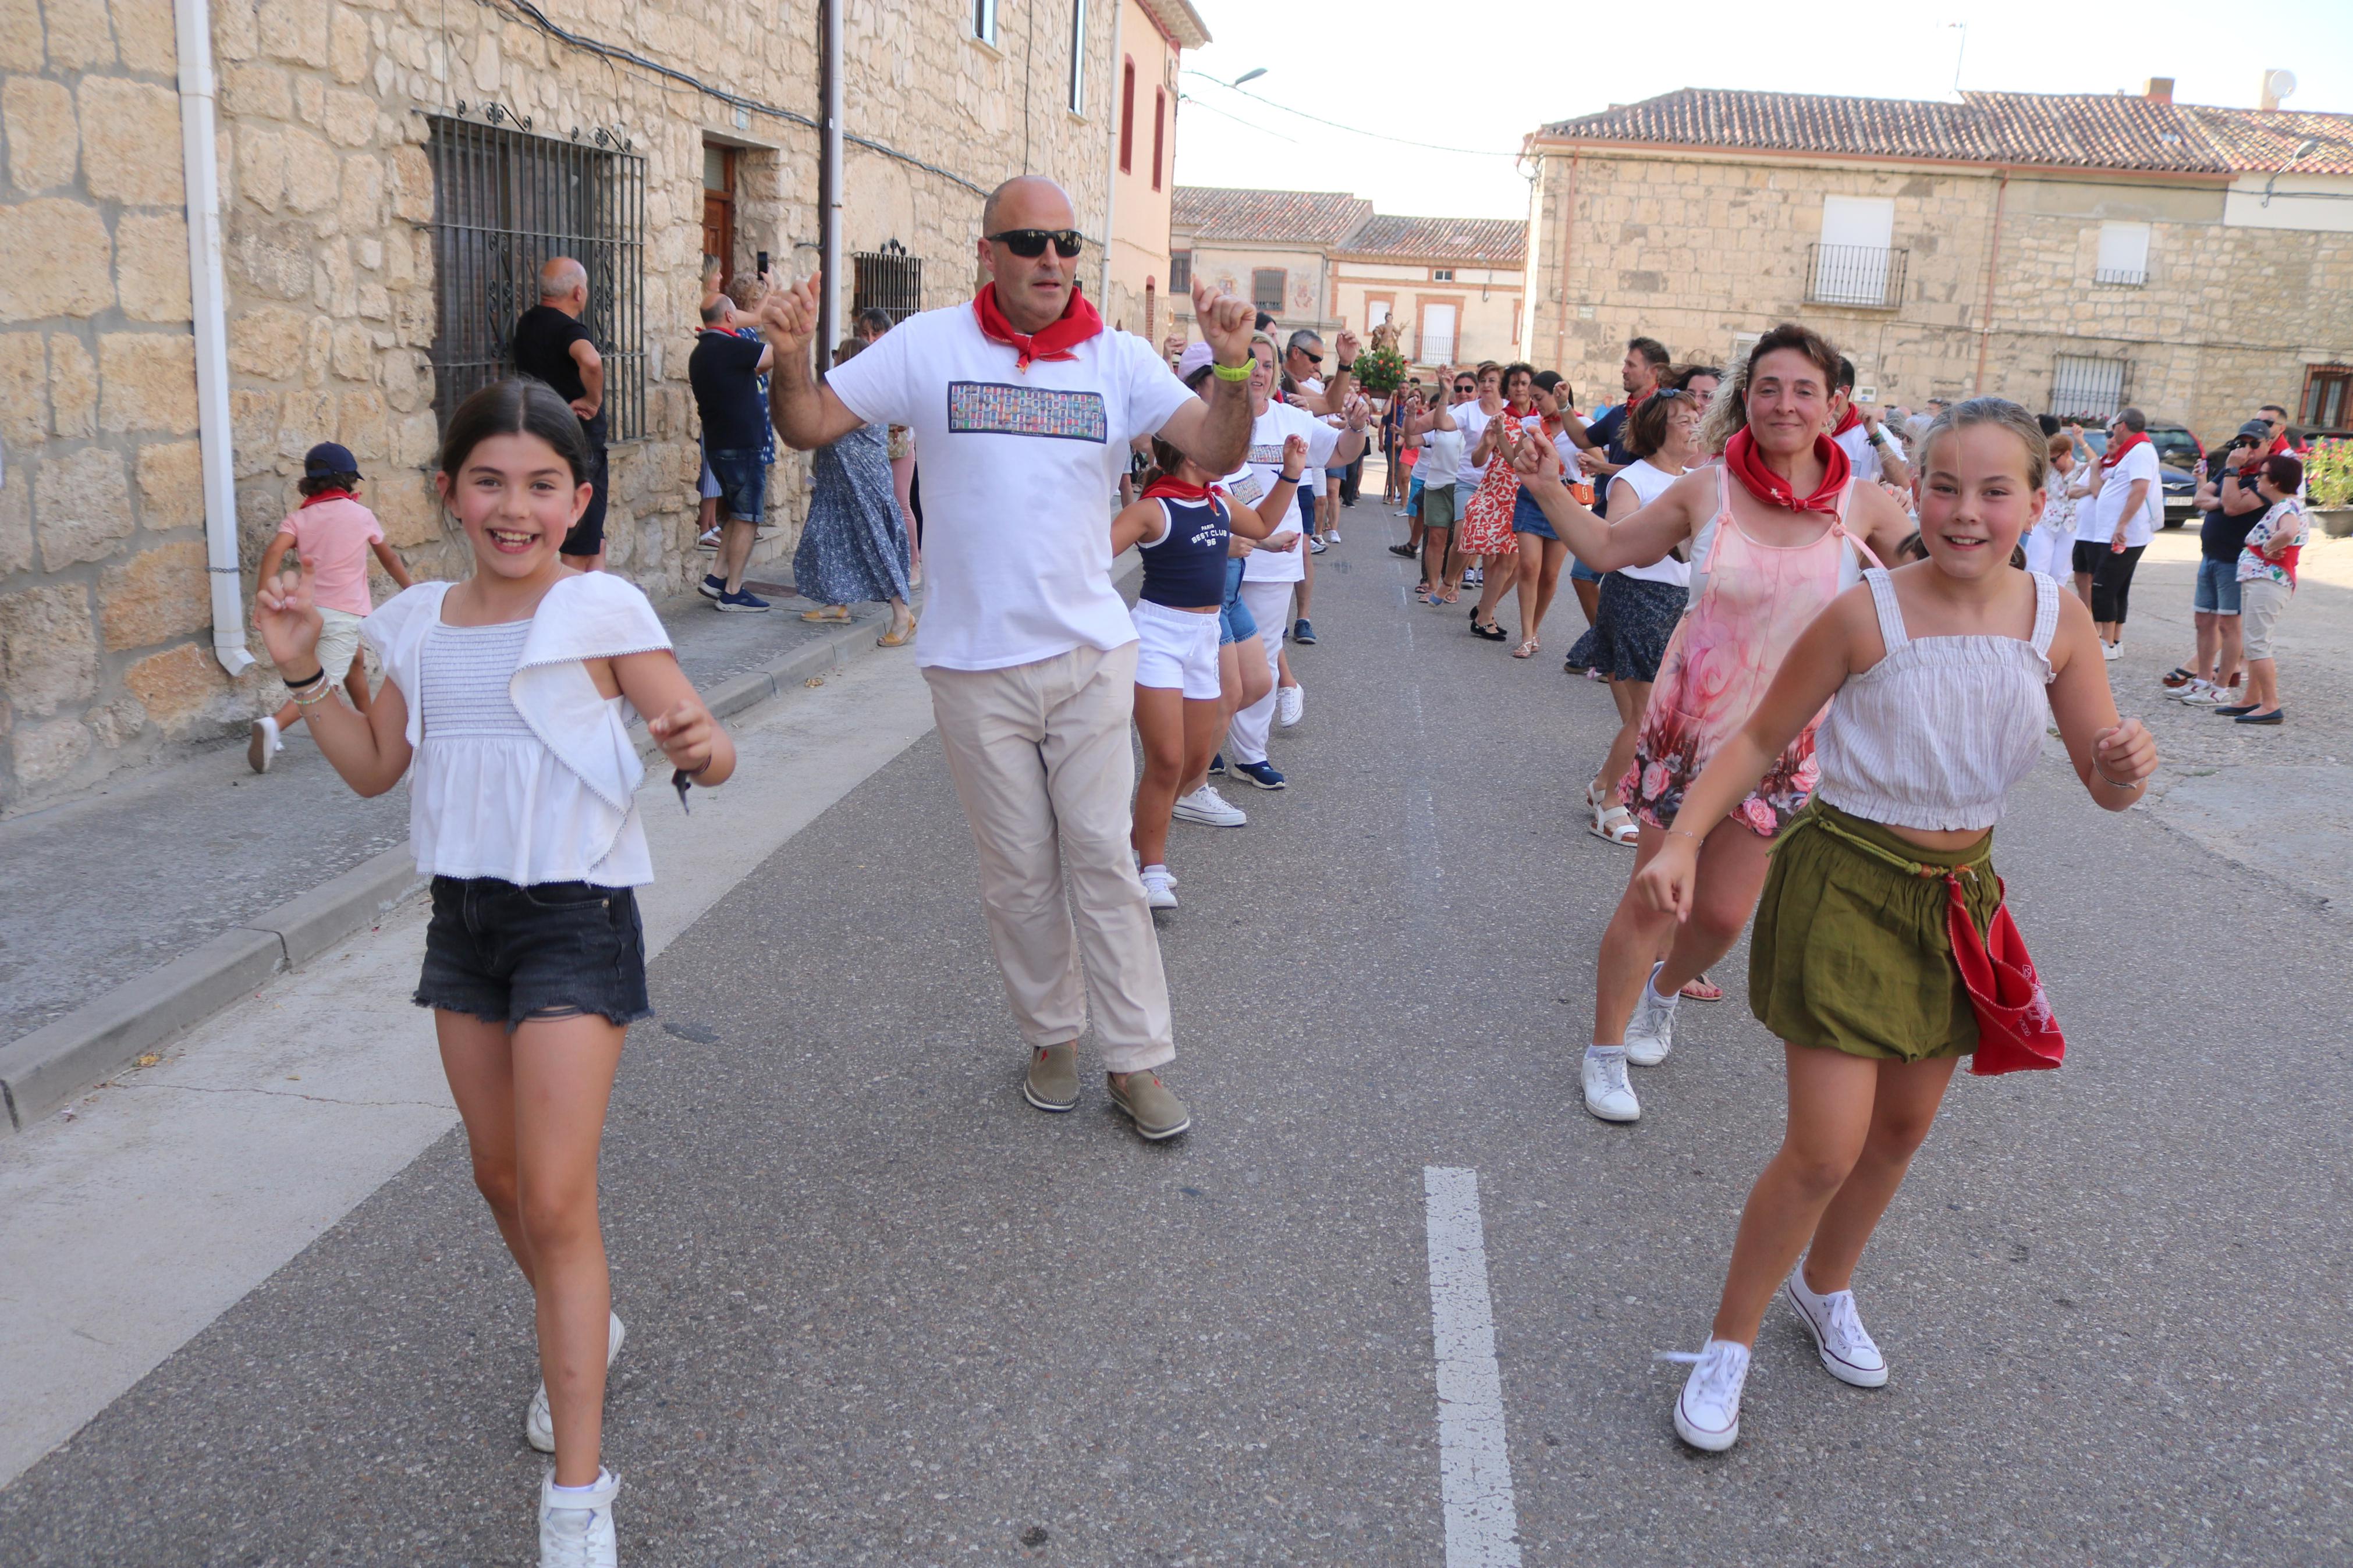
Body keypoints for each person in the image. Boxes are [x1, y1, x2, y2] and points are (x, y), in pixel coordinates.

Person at [252, 378, 736, 1566]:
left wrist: (701, 745)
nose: (513, 509)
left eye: (539, 486)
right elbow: (376, 770)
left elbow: (706, 748)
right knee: (498, 1177)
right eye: (488, 482)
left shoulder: (606, 611)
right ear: (447, 494)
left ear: (577, 498)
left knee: (559, 1200)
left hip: (575, 917)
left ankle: (578, 1494)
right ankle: (589, 1326)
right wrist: (306, 673)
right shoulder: (415, 628)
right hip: (462, 921)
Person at [1639, 397, 2157, 1453]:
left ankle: (1824, 1288)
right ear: (1911, 493)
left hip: (1958, 901)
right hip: (1845, 883)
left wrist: (2119, 770)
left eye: (1993, 489)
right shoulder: (1861, 613)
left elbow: (2104, 784)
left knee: (1899, 1132)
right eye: (1944, 488)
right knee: (1823, 1149)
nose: (1966, 512)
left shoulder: (2053, 620)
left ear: (2037, 497)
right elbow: (1754, 743)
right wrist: (1684, 840)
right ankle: (1726, 1343)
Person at [759, 175, 1257, 1142]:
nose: (1050, 259)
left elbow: (1216, 447)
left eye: (1066, 243)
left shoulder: (1115, 360)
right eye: (1028, 241)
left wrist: (1234, 371)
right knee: (1017, 870)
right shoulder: (929, 345)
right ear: (985, 253)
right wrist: (786, 358)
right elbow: (809, 423)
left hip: (1086, 654)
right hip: (970, 662)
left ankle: (1137, 1059)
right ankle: (1050, 1034)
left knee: (1102, 857)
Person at [1509, 323, 1915, 1124]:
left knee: (1724, 915)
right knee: (1653, 900)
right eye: (1767, 387)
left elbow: (1931, 572)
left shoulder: (1863, 505)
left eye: (1804, 389)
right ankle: (1603, 1049)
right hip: (1684, 733)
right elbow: (1605, 544)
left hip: (1787, 741)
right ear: (1744, 399)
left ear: (1834, 404)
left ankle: (1663, 993)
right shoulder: (1706, 489)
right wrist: (1550, 485)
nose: (1784, 403)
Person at [1113, 428, 1284, 909]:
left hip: (1204, 639)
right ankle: (1153, 868)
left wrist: (1291, 471)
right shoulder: (1152, 508)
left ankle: (1132, 838)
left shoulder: (1217, 501)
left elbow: (1264, 521)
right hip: (1158, 638)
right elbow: (1089, 556)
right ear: (1191, 455)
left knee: (1191, 764)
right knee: (1166, 759)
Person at [1568, 388, 1701, 845]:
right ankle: (1609, 806)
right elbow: (1619, 539)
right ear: (1658, 429)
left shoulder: (1695, 480)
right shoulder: (1633, 479)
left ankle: (1604, 784)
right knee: (1645, 717)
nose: (1694, 427)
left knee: (1646, 716)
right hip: (1636, 599)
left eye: (1695, 419)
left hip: (1678, 605)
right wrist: (1670, 536)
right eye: (1684, 420)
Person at [1227, 332, 1355, 785]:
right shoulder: (1214, 419)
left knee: (1261, 655)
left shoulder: (1290, 419)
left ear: (1277, 371)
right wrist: (1250, 528)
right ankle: (1202, 747)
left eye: (1266, 364)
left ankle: (1249, 753)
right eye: (1249, 363)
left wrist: (1356, 427)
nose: (1258, 372)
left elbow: (1341, 450)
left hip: (1273, 559)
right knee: (1204, 653)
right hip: (1219, 552)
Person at [248, 442, 414, 773]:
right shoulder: (361, 515)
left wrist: (262, 600)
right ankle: (274, 725)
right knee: (325, 684)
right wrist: (413, 592)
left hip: (306, 612)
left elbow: (273, 553)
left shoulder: (299, 517)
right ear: (348, 480)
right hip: (343, 613)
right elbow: (390, 558)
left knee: (355, 660)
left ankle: (369, 724)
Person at [791, 337, 916, 643]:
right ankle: (837, 602)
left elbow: (834, 424)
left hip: (863, 485)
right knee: (824, 538)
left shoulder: (862, 394)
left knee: (875, 547)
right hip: (838, 486)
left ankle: (903, 616)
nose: (834, 362)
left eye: (838, 357)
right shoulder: (847, 394)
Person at [510, 257, 609, 571]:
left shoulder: (527, 323)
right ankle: (572, 615)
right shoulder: (568, 328)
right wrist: (592, 400)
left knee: (593, 534)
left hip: (539, 436)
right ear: (579, 293)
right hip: (577, 442)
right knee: (579, 541)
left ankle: (598, 610)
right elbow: (591, 361)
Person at [2171, 419, 2272, 705]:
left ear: (2268, 445)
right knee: (2203, 620)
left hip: (2235, 561)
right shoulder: (2234, 473)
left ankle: (2222, 687)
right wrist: (2226, 495)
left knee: (2229, 626)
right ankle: (2202, 680)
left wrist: (2230, 478)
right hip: (2211, 557)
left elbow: (2232, 506)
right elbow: (2202, 498)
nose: (2248, 449)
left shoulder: (2264, 476)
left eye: (2255, 444)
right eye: (2243, 443)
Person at [687, 294, 775, 612]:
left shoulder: (701, 352)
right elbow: (774, 354)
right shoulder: (730, 347)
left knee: (734, 515)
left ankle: (716, 578)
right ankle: (734, 591)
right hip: (742, 446)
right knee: (748, 517)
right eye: (736, 313)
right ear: (727, 317)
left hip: (719, 445)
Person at [2217, 453, 2305, 726]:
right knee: (2255, 641)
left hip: (2267, 580)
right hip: (2262, 579)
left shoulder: (2286, 507)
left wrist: (2270, 546)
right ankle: (2251, 699)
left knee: (2257, 644)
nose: (2257, 478)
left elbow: (2289, 532)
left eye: (2262, 475)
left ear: (2276, 481)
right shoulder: (2284, 505)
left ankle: (2270, 704)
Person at [2075, 407, 2162, 659]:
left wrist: (2122, 525)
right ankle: (2115, 641)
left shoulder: (2141, 452)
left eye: (2114, 426)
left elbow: (2139, 490)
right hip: (2112, 532)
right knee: (2118, 587)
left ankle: (2107, 644)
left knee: (2103, 586)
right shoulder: (2133, 451)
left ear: (2122, 425)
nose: (2112, 432)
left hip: (2125, 533)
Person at [1828, 357, 1913, 492]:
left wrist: (1875, 435)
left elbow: (1902, 483)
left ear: (1843, 392)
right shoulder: (1802, 426)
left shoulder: (1870, 431)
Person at [2021, 430, 2078, 581]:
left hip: (2070, 526)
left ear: (2067, 454)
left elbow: (2096, 465)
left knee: (2060, 571)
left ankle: (2055, 601)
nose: (2052, 463)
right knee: (2037, 566)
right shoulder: (2048, 471)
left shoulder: (2082, 469)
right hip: (2046, 523)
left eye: (2054, 459)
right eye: (2050, 459)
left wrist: (2082, 442)